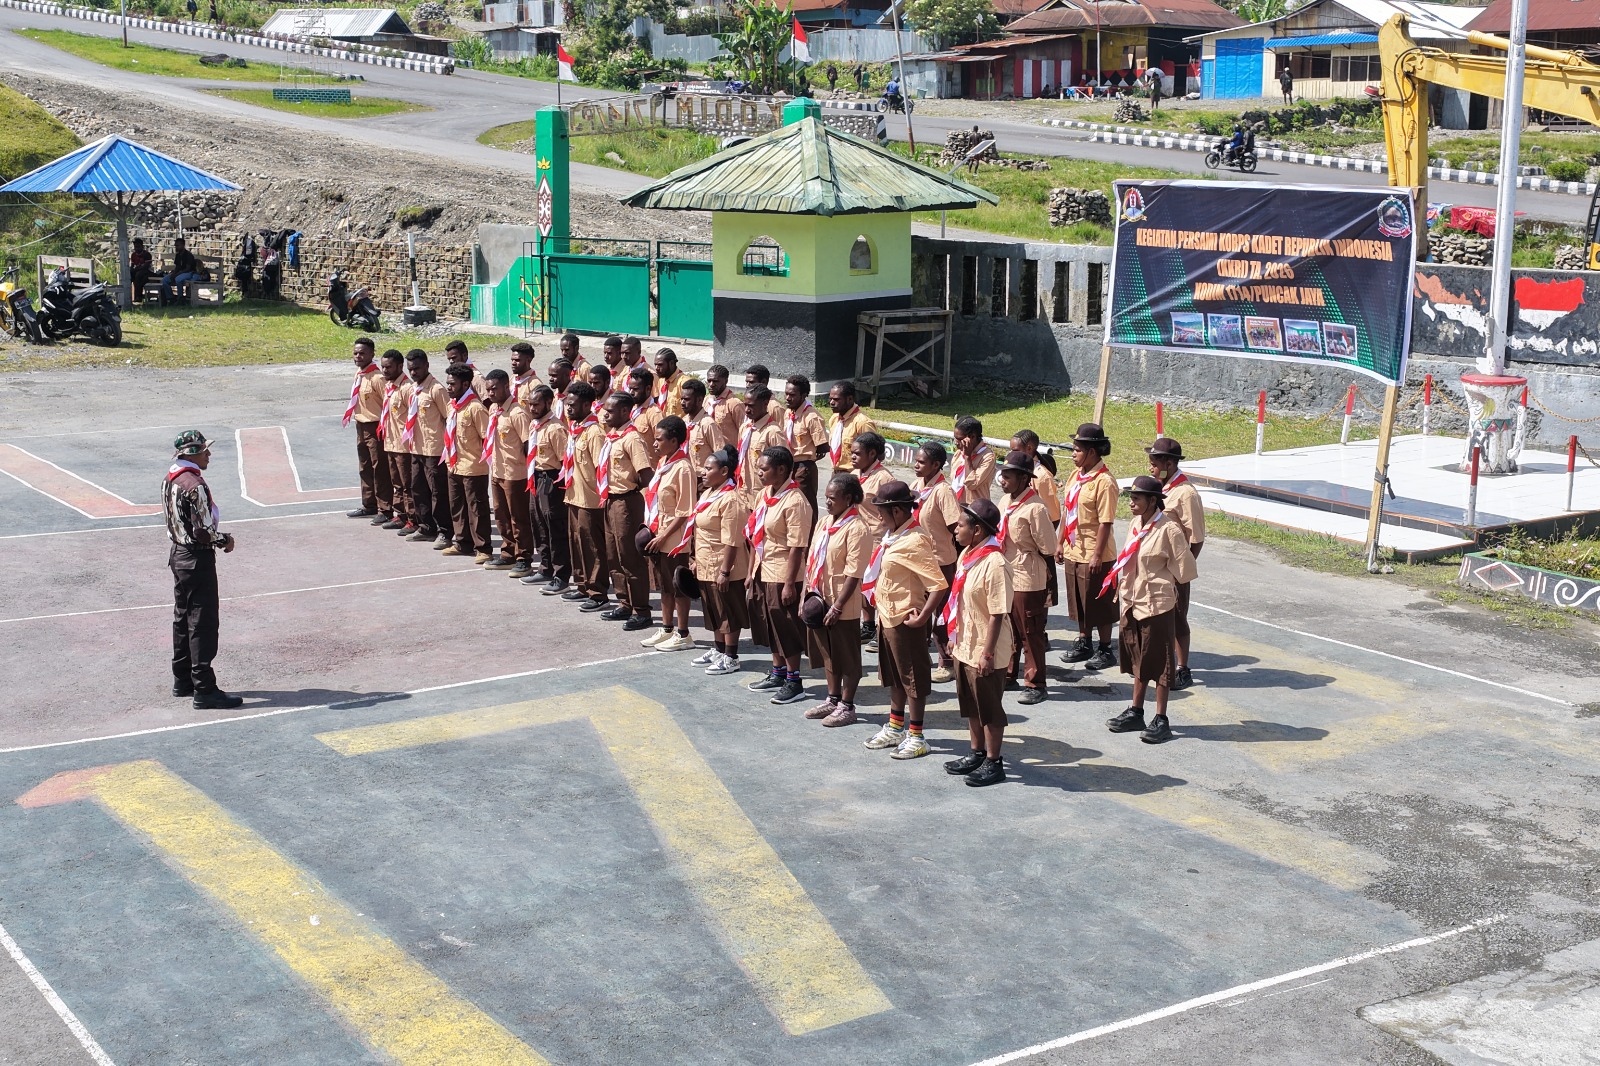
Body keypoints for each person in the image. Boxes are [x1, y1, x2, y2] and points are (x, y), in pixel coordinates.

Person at [861, 480, 949, 760]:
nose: (878, 516)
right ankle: (896, 726)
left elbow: (938, 584)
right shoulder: (893, 538)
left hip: (905, 619)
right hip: (887, 618)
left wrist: (923, 617)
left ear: (898, 511)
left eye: (882, 511)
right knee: (896, 677)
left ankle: (917, 735)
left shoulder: (914, 540)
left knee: (913, 679)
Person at [1107, 476, 1198, 744]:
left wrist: (1165, 587)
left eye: (1137, 499)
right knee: (1138, 658)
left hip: (1157, 605)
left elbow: (1186, 571)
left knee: (1160, 662)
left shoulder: (1169, 530)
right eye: (1131, 498)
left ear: (1153, 501)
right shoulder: (1137, 524)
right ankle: (1136, 710)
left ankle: (1161, 718)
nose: (1131, 503)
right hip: (1133, 602)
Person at [163, 430, 242, 710]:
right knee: (203, 622)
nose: (208, 454)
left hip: (177, 556)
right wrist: (225, 540)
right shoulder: (193, 484)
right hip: (196, 558)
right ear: (191, 454)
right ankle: (204, 688)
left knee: (182, 618)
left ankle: (182, 679)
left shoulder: (171, 478)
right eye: (204, 450)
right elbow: (202, 531)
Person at [942, 498, 1012, 786]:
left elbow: (997, 613)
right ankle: (976, 753)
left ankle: (994, 763)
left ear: (978, 530)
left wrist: (987, 653)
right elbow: (960, 601)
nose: (955, 530)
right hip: (965, 643)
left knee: (989, 708)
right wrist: (953, 636)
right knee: (971, 704)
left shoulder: (996, 563)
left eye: (960, 525)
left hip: (986, 647)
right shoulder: (968, 555)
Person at [745, 445, 814, 705]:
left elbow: (797, 546)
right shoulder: (765, 494)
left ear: (782, 470)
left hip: (784, 572)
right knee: (770, 623)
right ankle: (778, 672)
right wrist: (752, 568)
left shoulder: (795, 502)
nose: (759, 472)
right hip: (764, 568)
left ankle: (794, 680)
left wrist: (789, 584)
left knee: (786, 627)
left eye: (764, 469)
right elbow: (755, 533)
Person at [804, 472, 870, 727]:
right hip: (820, 597)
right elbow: (812, 561)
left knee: (847, 657)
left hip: (843, 603)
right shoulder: (824, 523)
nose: (828, 502)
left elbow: (854, 573)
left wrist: (839, 605)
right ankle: (832, 699)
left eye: (833, 498)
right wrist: (806, 595)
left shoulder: (857, 528)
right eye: (826, 497)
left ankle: (847, 705)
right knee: (828, 653)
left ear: (849, 498)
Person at [1057, 422, 1119, 670]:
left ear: (1092, 452)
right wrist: (1060, 541)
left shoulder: (1105, 482)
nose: (1073, 453)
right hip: (1074, 548)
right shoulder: (1076, 475)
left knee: (1100, 603)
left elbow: (1105, 522)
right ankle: (1085, 641)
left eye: (1077, 449)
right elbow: (1067, 510)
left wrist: (1096, 554)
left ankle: (1105, 648)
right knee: (1079, 600)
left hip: (1096, 551)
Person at [998, 449, 1055, 705]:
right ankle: (1009, 673)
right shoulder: (1004, 503)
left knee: (1030, 631)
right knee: (1008, 627)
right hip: (1007, 572)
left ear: (1023, 479)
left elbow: (1049, 547)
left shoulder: (1036, 508)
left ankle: (1035, 682)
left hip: (1028, 575)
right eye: (1003, 475)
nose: (1002, 480)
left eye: (1008, 477)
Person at [1147, 437, 1204, 689]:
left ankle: (1183, 668)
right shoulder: (1159, 488)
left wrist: (1183, 567)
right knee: (1157, 615)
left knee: (1178, 617)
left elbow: (1197, 537)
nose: (1150, 468)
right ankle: (1161, 663)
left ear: (1169, 463)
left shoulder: (1185, 493)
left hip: (1175, 567)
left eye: (1154, 463)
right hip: (1154, 566)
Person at [596, 391, 656, 632]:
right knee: (613, 554)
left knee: (630, 556)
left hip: (626, 501)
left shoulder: (632, 439)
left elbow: (646, 475)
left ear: (624, 412)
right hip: (609, 500)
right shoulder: (612, 437)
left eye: (609, 411)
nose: (604, 414)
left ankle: (641, 609)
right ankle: (624, 602)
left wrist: (629, 491)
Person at [691, 447, 750, 675]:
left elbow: (733, 540)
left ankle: (731, 655)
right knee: (713, 609)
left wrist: (725, 572)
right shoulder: (709, 493)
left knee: (728, 611)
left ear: (724, 471)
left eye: (709, 469)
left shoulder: (731, 500)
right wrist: (696, 559)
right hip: (707, 562)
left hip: (724, 565)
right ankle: (718, 650)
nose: (703, 473)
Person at [641, 415, 697, 651]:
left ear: (674, 441)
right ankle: (666, 629)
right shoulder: (665, 462)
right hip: (659, 535)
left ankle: (683, 633)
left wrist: (663, 536)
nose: (655, 444)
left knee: (677, 586)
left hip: (674, 539)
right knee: (664, 585)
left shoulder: (683, 468)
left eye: (659, 439)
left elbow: (685, 511)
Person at [912, 441, 962, 682]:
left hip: (940, 561)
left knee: (941, 613)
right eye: (916, 460)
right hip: (919, 560)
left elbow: (956, 527)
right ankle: (921, 655)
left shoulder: (943, 491)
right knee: (920, 609)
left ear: (936, 465)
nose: (915, 465)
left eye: (921, 462)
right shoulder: (918, 486)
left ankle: (947, 661)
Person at [560, 381, 610, 612]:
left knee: (593, 546)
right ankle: (581, 584)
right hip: (573, 495)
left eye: (573, 405)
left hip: (590, 500)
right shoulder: (576, 429)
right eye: (567, 404)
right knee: (577, 542)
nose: (568, 408)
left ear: (588, 405)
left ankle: (597, 591)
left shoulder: (594, 433)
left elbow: (601, 468)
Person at [482, 369, 534, 576]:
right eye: (488, 390)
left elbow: (528, 445)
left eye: (494, 388)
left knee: (518, 517)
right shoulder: (494, 409)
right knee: (501, 515)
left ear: (506, 387)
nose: (491, 393)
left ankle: (523, 557)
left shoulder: (517, 413)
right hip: (497, 471)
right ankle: (508, 552)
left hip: (515, 474)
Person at [440, 365, 493, 563]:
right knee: (457, 505)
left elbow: (487, 439)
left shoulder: (476, 408)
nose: (448, 388)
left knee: (476, 508)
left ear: (466, 384)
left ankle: (483, 547)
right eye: (448, 383)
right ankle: (463, 542)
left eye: (452, 384)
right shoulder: (452, 406)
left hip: (473, 467)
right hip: (454, 464)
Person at [522, 384, 572, 594]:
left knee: (555, 527)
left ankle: (561, 575)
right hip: (536, 476)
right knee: (538, 524)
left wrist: (557, 486)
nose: (532, 408)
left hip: (552, 479)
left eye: (536, 404)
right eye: (530, 404)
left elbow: (565, 462)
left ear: (548, 403)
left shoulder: (555, 428)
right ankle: (546, 567)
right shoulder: (536, 425)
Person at [851, 431, 894, 648]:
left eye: (858, 454)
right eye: (852, 453)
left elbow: (892, 511)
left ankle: (881, 628)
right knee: (861, 582)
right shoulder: (855, 474)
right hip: (858, 538)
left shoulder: (884, 479)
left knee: (878, 585)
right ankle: (867, 624)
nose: (853, 457)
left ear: (872, 454)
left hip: (877, 538)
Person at [342, 338, 392, 524]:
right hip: (360, 425)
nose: (358, 356)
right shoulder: (360, 374)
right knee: (365, 466)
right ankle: (369, 504)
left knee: (380, 468)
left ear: (372, 354)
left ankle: (385, 508)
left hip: (375, 426)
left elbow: (387, 404)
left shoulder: (378, 378)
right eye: (355, 353)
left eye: (362, 353)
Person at [404, 350, 451, 546]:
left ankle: (445, 531)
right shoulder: (413, 389)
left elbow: (449, 418)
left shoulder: (436, 390)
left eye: (417, 368)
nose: (413, 373)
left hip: (435, 449)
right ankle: (426, 527)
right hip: (417, 448)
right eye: (410, 369)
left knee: (438, 492)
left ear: (427, 366)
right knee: (418, 488)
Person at [377, 349, 414, 535]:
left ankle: (412, 519)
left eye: (389, 367)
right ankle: (400, 514)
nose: (384, 370)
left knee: (408, 485)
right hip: (390, 442)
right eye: (383, 367)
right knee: (397, 483)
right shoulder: (389, 386)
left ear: (400, 366)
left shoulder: (407, 389)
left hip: (404, 446)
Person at [782, 374, 829, 519]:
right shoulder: (789, 413)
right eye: (787, 394)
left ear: (803, 395)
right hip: (789, 466)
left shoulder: (811, 417)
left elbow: (822, 446)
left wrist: (807, 458)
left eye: (792, 395)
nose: (788, 398)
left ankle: (810, 536)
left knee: (806, 504)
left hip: (803, 467)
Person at [735, 385, 786, 504]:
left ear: (765, 404)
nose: (747, 410)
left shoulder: (773, 432)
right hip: (742, 492)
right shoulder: (745, 428)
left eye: (751, 406)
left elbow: (784, 467)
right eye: (745, 405)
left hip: (762, 494)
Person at [1010, 429, 1061, 525]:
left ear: (1029, 448)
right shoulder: (1017, 468)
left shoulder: (1042, 477)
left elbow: (1053, 516)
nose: (1012, 454)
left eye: (1015, 451)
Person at [826, 381, 874, 475]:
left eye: (836, 399)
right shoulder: (834, 419)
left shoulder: (862, 422)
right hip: (836, 473)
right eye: (830, 399)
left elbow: (875, 454)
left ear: (850, 399)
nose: (831, 403)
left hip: (854, 475)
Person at [681, 377, 722, 473]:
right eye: (681, 399)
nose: (682, 403)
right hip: (685, 476)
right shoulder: (684, 422)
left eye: (687, 399)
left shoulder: (708, 424)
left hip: (702, 480)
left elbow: (719, 455)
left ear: (699, 400)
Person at [952, 416, 996, 505]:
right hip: (956, 506)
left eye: (960, 439)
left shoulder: (988, 457)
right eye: (955, 438)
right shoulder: (958, 454)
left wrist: (967, 456)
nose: (956, 443)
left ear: (972, 437)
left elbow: (972, 484)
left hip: (975, 509)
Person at [628, 367, 664, 464]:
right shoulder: (630, 409)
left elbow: (663, 447)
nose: (631, 392)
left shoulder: (654, 414)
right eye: (630, 388)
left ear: (648, 389)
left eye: (635, 389)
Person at [705, 364, 744, 445]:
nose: (711, 384)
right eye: (709, 381)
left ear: (726, 381)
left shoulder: (734, 404)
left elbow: (744, 431)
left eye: (715, 381)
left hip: (727, 453)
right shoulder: (706, 400)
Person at [159, 237, 200, 306]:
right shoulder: (178, 255)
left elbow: (188, 268)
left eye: (177, 245)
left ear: (183, 245)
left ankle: (180, 298)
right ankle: (171, 298)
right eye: (175, 246)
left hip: (189, 273)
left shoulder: (188, 255)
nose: (176, 247)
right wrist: (173, 273)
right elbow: (177, 266)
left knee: (178, 279)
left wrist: (177, 274)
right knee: (164, 280)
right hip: (180, 273)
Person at [652, 347, 688, 417]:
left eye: (660, 365)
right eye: (655, 365)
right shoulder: (661, 380)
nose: (656, 368)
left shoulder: (684, 383)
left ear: (671, 363)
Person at [510, 342, 542, 408]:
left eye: (517, 360)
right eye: (512, 360)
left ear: (528, 360)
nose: (513, 363)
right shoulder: (512, 379)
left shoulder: (535, 384)